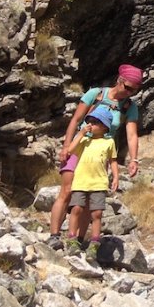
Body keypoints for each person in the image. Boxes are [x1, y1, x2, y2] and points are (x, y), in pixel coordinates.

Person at [48, 64, 143, 248]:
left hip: (100, 154)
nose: (129, 93)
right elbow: (76, 119)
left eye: (134, 90)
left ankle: (78, 240)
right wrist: (66, 146)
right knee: (67, 191)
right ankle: (54, 235)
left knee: (89, 196)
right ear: (119, 80)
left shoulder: (130, 107)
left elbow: (131, 134)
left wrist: (134, 159)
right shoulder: (96, 94)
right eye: (128, 87)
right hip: (79, 147)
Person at [62, 106, 118, 260]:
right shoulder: (84, 140)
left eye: (95, 122)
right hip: (81, 181)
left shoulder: (109, 142)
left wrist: (116, 176)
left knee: (97, 213)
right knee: (77, 209)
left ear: (105, 127)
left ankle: (94, 243)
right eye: (89, 121)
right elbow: (70, 150)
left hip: (99, 182)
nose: (91, 125)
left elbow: (112, 161)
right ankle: (72, 239)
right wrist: (80, 133)